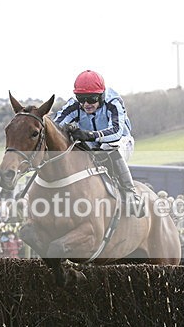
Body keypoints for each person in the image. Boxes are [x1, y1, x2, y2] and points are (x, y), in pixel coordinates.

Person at [53, 70, 145, 217]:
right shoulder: (74, 105)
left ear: (101, 95)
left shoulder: (114, 103)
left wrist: (90, 135)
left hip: (120, 142)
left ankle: (131, 195)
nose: (86, 104)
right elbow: (55, 126)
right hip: (90, 145)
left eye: (91, 98)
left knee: (108, 147)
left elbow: (116, 131)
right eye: (81, 99)